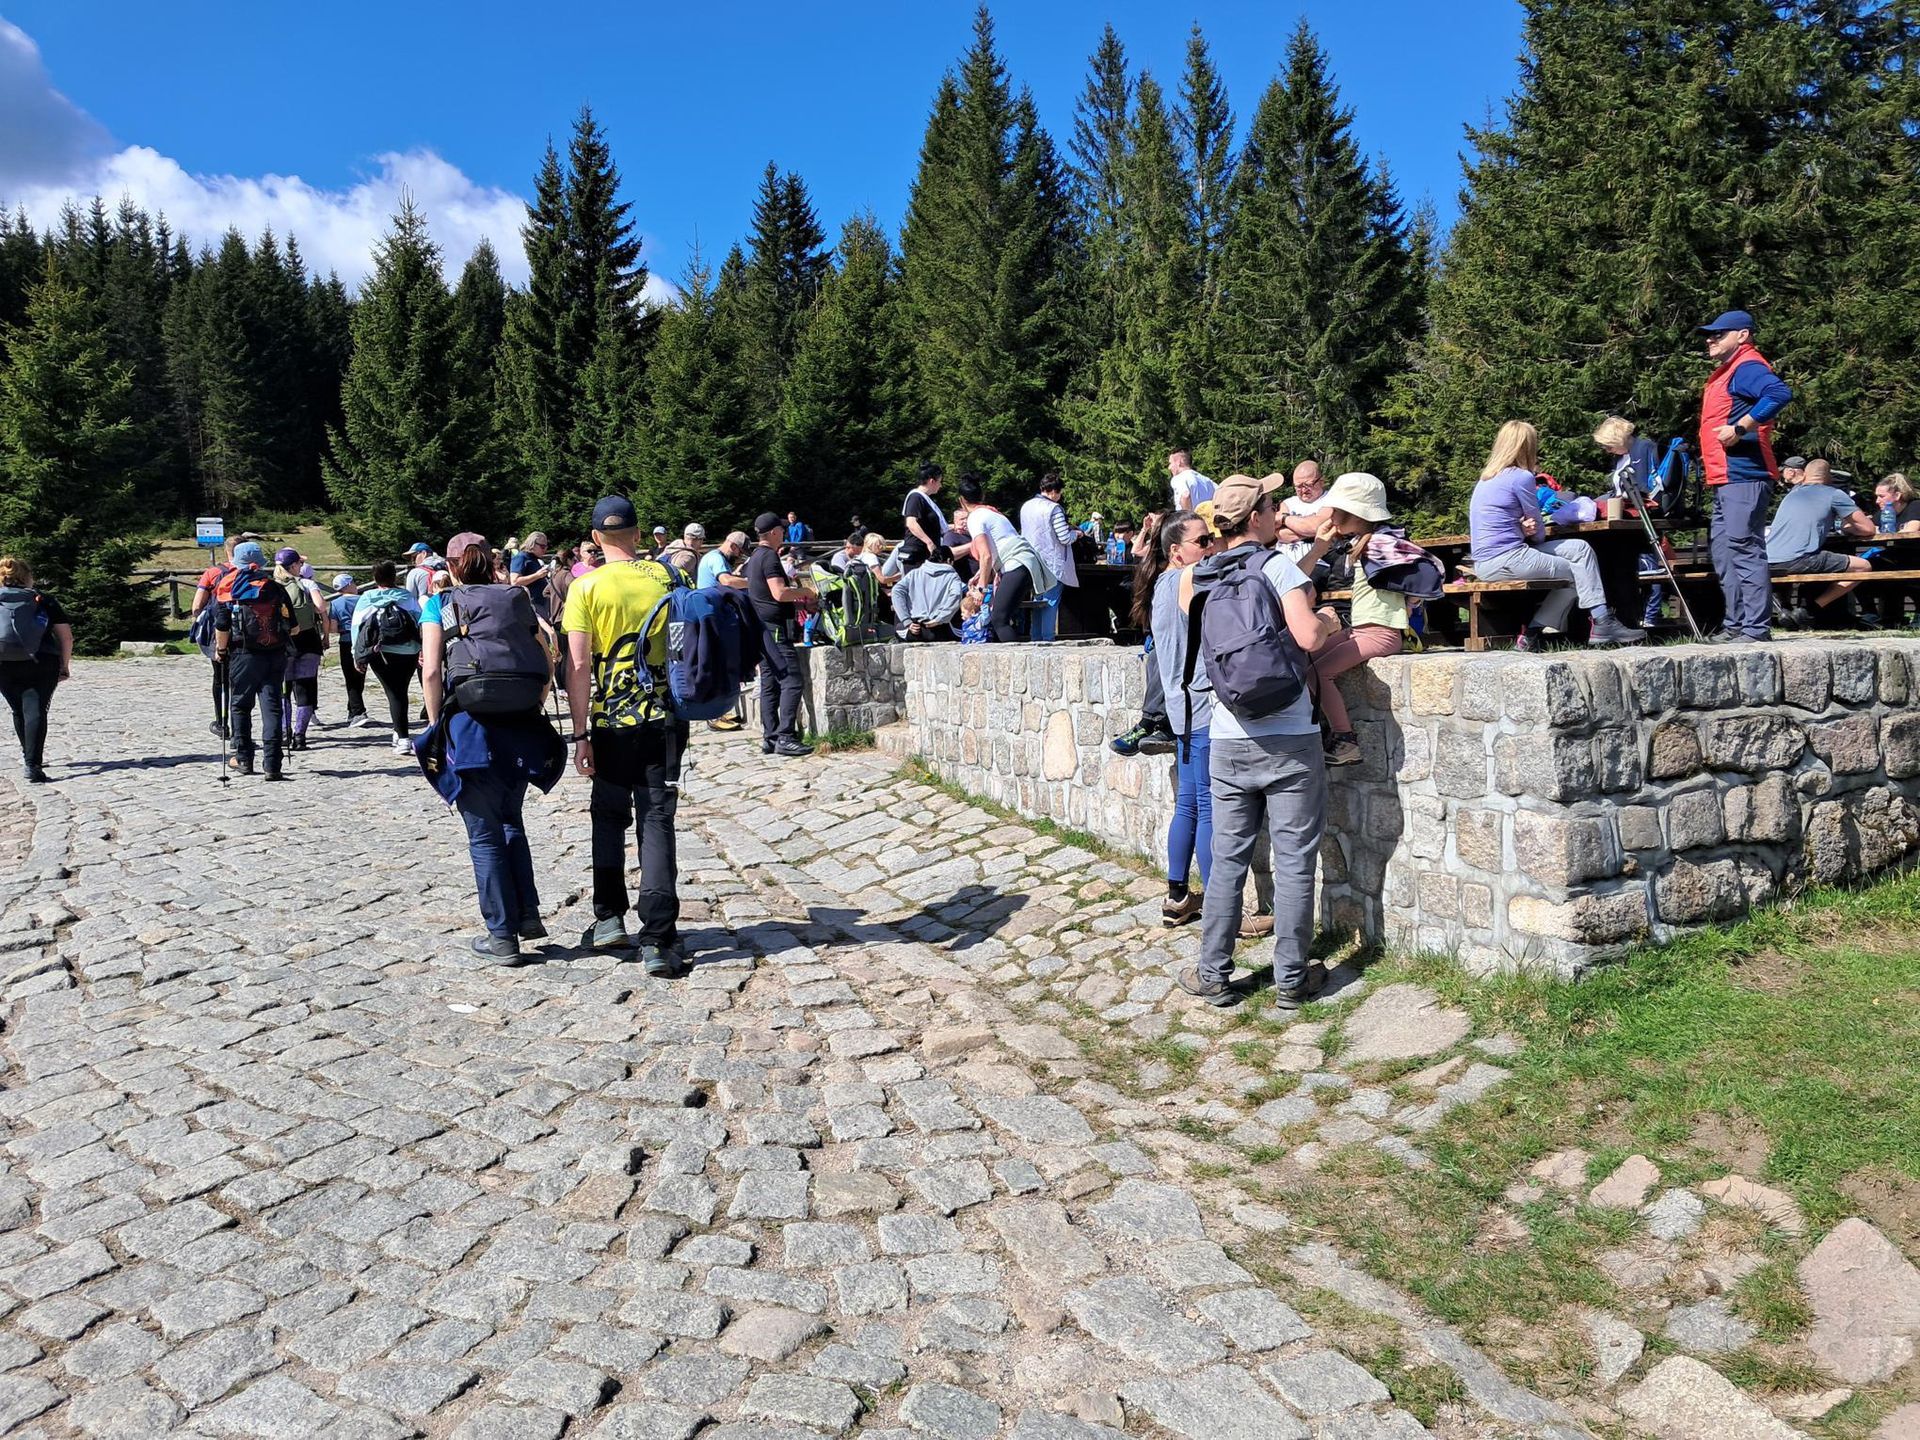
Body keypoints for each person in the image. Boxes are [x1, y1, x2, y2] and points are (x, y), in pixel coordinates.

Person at [1176, 474, 1334, 1010]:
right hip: (1290, 739)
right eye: (1271, 506)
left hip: (1228, 735)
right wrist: (1328, 621)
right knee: (1294, 861)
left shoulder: (1198, 576)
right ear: (1258, 517)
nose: (1277, 514)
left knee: (1228, 860)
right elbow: (1307, 636)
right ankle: (1291, 980)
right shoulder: (1276, 566)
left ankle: (1213, 975)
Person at [420, 532, 563, 964]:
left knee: (483, 834)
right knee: (510, 820)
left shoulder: (441, 604)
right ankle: (527, 914)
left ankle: (501, 935)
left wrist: (436, 723)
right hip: (520, 726)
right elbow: (547, 660)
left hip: (470, 727)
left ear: (451, 565)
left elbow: (431, 671)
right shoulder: (516, 598)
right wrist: (533, 706)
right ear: (492, 560)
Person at [564, 496, 692, 976]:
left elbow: (578, 665)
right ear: (638, 534)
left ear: (596, 538)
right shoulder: (671, 578)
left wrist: (580, 734)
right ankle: (657, 937)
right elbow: (686, 646)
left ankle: (609, 919)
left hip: (610, 724)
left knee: (608, 816)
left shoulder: (586, 586)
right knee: (656, 819)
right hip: (665, 719)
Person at [1469, 420, 1646, 648]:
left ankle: (1599, 622)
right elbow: (1539, 534)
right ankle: (1552, 631)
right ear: (1526, 447)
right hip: (1505, 559)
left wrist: (1522, 529)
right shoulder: (1521, 477)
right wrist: (1530, 530)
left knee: (1580, 549)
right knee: (1577, 572)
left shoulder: (1486, 479)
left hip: (1492, 558)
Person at [1295, 474, 1408, 766]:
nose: (1330, 515)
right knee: (1303, 658)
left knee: (1318, 673)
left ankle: (1345, 740)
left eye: (1336, 510)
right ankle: (1312, 728)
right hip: (1361, 629)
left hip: (1380, 633)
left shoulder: (1382, 543)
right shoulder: (1364, 541)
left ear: (1355, 514)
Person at [1698, 308, 1794, 642]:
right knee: (1725, 553)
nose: (1710, 339)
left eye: (1718, 334)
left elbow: (1779, 394)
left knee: (1743, 546)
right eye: (1710, 334)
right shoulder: (1729, 370)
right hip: (1725, 477)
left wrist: (1741, 427)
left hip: (1745, 475)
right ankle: (1736, 626)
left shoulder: (1747, 366)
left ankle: (1756, 629)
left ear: (1742, 336)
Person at [1147, 513, 1215, 927]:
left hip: (1180, 707)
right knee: (1207, 806)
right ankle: (1220, 906)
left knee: (1188, 801)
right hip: (1202, 705)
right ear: (1176, 551)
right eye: (1203, 541)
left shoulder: (1161, 584)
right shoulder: (1189, 580)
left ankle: (1177, 896)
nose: (1211, 546)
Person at [213, 541, 297, 781]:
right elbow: (294, 627)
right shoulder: (275, 588)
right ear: (260, 563)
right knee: (272, 706)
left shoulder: (229, 588)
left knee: (240, 706)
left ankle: (243, 759)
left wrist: (221, 650)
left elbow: (222, 626)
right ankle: (273, 764)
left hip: (243, 654)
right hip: (275, 654)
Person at [1766, 458, 1874, 625]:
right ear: (1828, 477)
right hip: (1801, 559)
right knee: (1863, 567)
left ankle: (1785, 610)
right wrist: (1846, 527)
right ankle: (1811, 609)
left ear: (1805, 475)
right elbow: (1868, 528)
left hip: (1768, 559)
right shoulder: (1834, 494)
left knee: (1787, 566)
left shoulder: (1791, 495)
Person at [746, 512, 818, 757]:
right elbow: (778, 593)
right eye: (782, 530)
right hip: (775, 629)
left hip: (761, 627)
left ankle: (770, 738)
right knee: (791, 680)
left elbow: (765, 595)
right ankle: (786, 737)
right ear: (774, 532)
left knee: (769, 683)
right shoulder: (769, 557)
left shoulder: (755, 557)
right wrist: (807, 593)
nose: (785, 533)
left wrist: (796, 604)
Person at [955, 474, 1058, 644]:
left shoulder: (974, 518)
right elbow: (996, 547)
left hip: (1016, 564)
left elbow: (986, 555)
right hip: (1024, 562)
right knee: (1003, 617)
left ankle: (1018, 659)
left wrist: (981, 588)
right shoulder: (991, 513)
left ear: (961, 500)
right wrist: (980, 574)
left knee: (999, 619)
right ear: (982, 496)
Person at [0, 557, 73, 783]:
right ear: (27, 576)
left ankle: (28, 755)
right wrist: (64, 665)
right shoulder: (44, 600)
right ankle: (33, 765)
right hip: (42, 661)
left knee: (18, 710)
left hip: (2, 663)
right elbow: (66, 637)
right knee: (36, 710)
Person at [189, 531, 259, 739]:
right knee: (240, 680)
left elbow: (196, 606)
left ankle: (221, 723)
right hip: (247, 634)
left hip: (219, 632)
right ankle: (240, 729)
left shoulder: (213, 573)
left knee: (220, 678)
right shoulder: (253, 573)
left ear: (227, 551)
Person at [351, 559, 425, 755]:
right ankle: (398, 732)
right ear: (394, 577)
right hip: (409, 650)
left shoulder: (367, 598)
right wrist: (424, 648)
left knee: (394, 693)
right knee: (401, 691)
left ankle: (403, 738)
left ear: (375, 577)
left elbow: (356, 627)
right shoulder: (407, 597)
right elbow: (421, 622)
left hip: (380, 652)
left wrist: (357, 655)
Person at [274, 548, 328, 751]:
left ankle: (284, 732)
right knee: (304, 688)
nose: (301, 566)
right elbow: (321, 607)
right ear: (294, 566)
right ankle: (300, 737)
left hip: (283, 643)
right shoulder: (306, 584)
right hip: (308, 641)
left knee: (284, 690)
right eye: (300, 563)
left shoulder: (272, 586)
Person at [696, 532, 751, 730]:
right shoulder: (716, 558)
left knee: (719, 665)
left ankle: (720, 712)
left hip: (712, 616)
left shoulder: (713, 558)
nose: (739, 556)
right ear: (733, 546)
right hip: (712, 617)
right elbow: (726, 581)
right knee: (716, 666)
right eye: (739, 552)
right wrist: (752, 582)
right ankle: (714, 716)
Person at [1019, 472, 1079, 640]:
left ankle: (1035, 639)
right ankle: (1048, 638)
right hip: (1052, 562)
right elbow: (1064, 538)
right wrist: (1076, 534)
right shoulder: (1054, 509)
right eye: (1059, 492)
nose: (1060, 496)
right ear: (1054, 491)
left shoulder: (1026, 506)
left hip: (1033, 561)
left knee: (1037, 602)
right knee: (1050, 602)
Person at [892, 544, 967, 640]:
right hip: (939, 628)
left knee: (898, 629)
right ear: (949, 561)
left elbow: (896, 591)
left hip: (915, 628)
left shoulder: (914, 573)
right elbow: (956, 595)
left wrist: (906, 620)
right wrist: (940, 619)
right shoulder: (952, 576)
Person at [326, 575, 369, 727]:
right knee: (360, 675)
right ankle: (356, 710)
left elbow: (333, 628)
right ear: (349, 584)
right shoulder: (363, 600)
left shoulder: (336, 603)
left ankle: (356, 710)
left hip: (346, 640)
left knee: (349, 677)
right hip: (362, 641)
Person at [1272, 461, 1334, 565]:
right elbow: (1279, 534)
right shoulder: (1287, 503)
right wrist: (1311, 533)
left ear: (1321, 481)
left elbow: (1316, 526)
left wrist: (1284, 519)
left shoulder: (1331, 500)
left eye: (1308, 485)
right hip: (1285, 563)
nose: (1304, 490)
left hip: (1319, 564)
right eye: (1299, 486)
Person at [899, 463, 948, 571]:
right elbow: (911, 523)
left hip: (926, 554)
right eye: (940, 482)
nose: (940, 485)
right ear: (932, 481)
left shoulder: (926, 499)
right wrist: (929, 542)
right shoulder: (915, 497)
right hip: (917, 553)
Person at [509, 532, 552, 617]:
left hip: (541, 601)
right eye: (542, 547)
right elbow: (515, 582)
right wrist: (537, 575)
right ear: (532, 544)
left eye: (546, 547)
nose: (545, 550)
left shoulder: (533, 558)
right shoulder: (521, 557)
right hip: (532, 603)